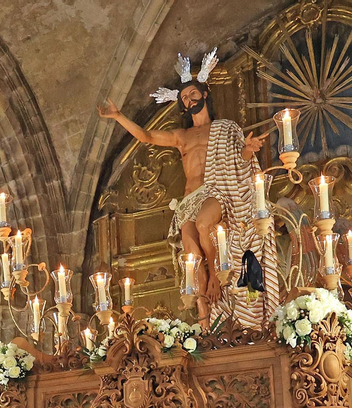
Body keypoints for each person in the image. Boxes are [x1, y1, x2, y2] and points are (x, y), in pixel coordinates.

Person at [97, 51, 277, 327]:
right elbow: (146, 136)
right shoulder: (182, 136)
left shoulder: (225, 128)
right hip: (188, 200)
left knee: (205, 224)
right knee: (191, 258)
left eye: (192, 94)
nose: (189, 99)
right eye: (183, 98)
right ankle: (206, 321)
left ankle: (217, 275)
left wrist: (248, 150)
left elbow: (237, 162)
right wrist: (118, 116)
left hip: (216, 192)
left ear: (204, 94)